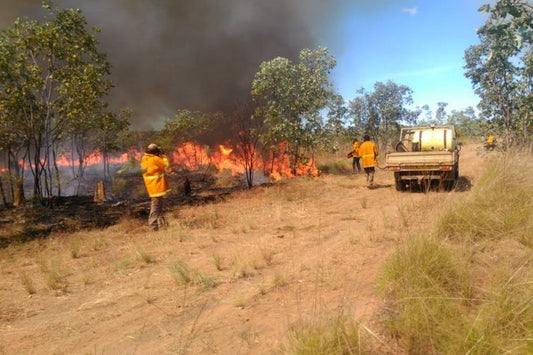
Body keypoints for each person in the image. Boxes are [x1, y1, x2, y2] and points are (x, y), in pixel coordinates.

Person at [141, 143, 171, 231]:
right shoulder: (155, 159)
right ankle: (153, 227)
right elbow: (166, 167)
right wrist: (164, 157)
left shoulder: (144, 158)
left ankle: (163, 224)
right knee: (156, 207)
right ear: (155, 152)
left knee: (159, 206)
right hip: (157, 186)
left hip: (151, 187)